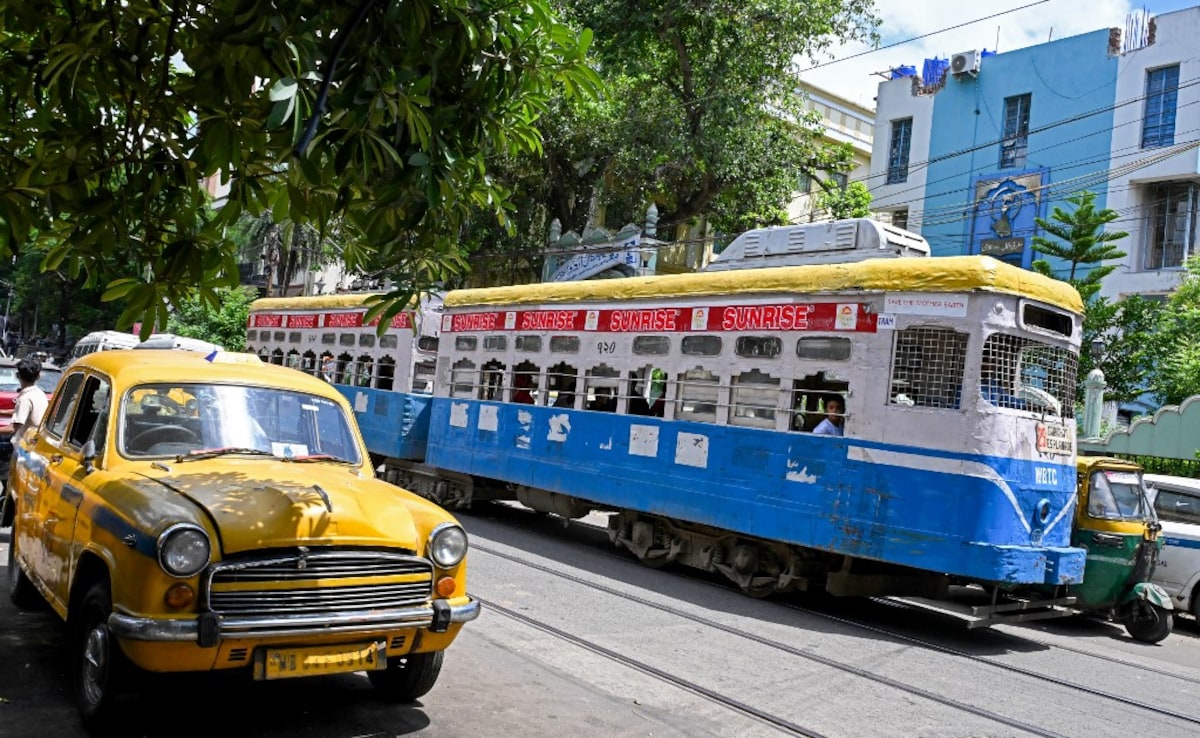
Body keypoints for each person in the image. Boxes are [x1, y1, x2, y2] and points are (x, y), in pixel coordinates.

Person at [12, 356, 49, 444]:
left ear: (18, 375)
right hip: (36, 440)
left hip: (23, 444)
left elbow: (13, 428)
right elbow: (24, 412)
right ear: (38, 376)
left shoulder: (25, 399)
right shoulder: (39, 393)